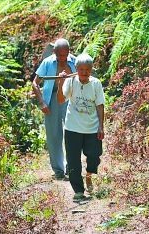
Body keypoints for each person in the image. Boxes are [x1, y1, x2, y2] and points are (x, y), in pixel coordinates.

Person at [57, 53, 105, 202]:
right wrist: (60, 82)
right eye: (81, 69)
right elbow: (60, 100)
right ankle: (78, 190)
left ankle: (89, 175)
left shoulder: (96, 83)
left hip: (91, 128)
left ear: (91, 70)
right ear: (76, 69)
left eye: (87, 69)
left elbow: (100, 105)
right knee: (73, 160)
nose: (84, 72)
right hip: (72, 128)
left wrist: (101, 127)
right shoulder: (70, 81)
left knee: (94, 155)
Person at [32, 38, 76, 180]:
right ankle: (58, 170)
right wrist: (42, 102)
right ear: (54, 52)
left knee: (73, 133)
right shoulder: (48, 63)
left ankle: (72, 167)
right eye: (59, 55)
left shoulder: (75, 62)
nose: (62, 58)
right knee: (54, 136)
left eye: (64, 55)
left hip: (70, 99)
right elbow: (35, 83)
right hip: (52, 100)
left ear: (69, 52)